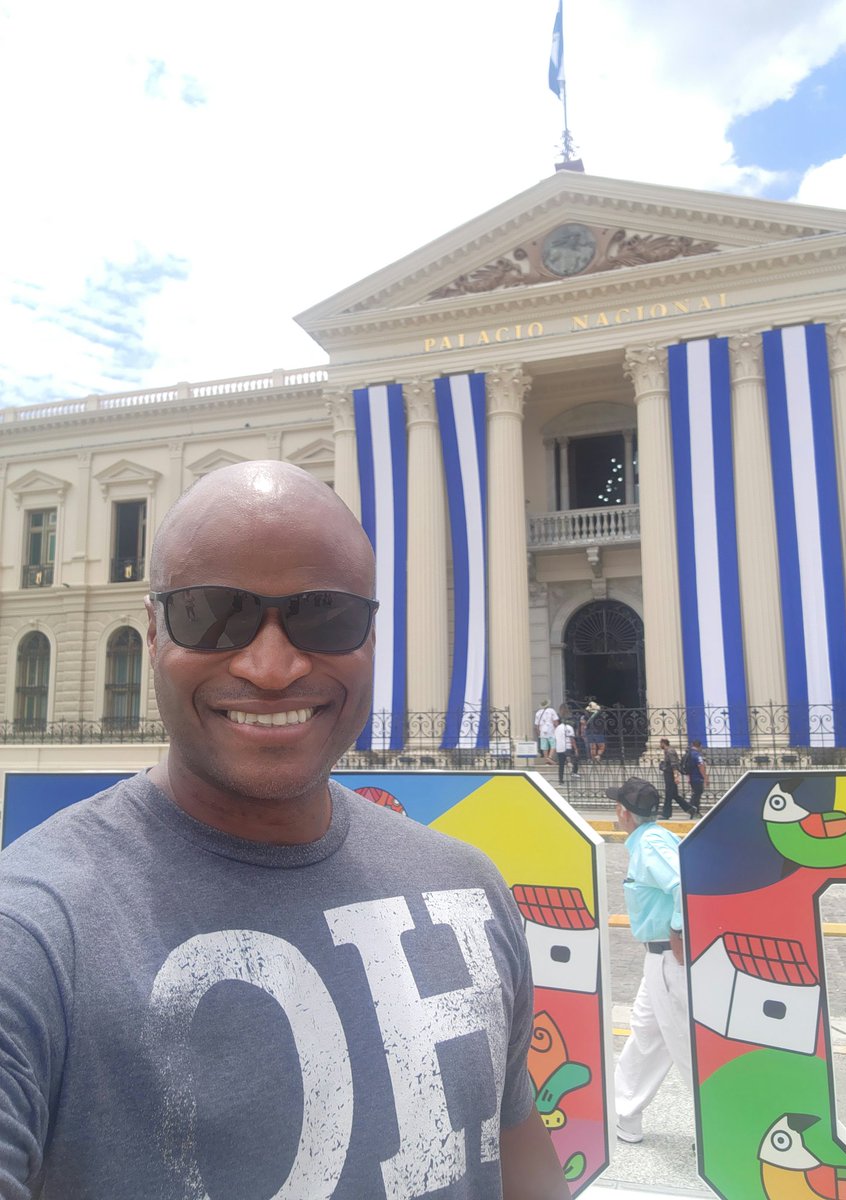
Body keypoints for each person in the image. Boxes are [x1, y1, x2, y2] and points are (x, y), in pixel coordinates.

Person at [0, 462, 567, 1200]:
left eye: (324, 615)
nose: (271, 667)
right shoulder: (35, 934)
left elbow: (517, 1162)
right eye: (211, 613)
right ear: (153, 632)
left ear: (371, 634)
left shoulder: (466, 890)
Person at [607, 777, 692, 1146]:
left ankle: (718, 1122)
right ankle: (623, 1115)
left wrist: (677, 930)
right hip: (657, 961)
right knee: (645, 1035)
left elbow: (683, 884)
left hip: (669, 958)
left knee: (686, 1044)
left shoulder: (650, 844)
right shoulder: (655, 838)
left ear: (624, 812)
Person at [657, 738, 692, 819]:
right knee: (674, 795)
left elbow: (674, 765)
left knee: (668, 795)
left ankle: (666, 814)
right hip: (669, 775)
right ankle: (690, 809)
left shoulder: (670, 751)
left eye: (660, 743)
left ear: (663, 743)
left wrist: (676, 777)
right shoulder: (667, 751)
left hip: (670, 776)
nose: (660, 745)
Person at [553, 716, 578, 784]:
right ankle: (573, 772)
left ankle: (561, 780)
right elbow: (572, 739)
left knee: (561, 765)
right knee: (575, 759)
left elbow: (555, 739)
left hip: (559, 748)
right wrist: (576, 749)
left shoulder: (557, 728)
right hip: (567, 747)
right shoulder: (569, 728)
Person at [685, 740, 707, 816]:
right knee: (697, 794)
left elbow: (687, 767)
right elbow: (701, 766)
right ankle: (694, 810)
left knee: (695, 794)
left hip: (692, 777)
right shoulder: (697, 755)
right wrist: (705, 777)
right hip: (697, 777)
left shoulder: (689, 754)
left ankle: (691, 809)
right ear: (700, 746)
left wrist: (688, 777)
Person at [533, 699, 559, 763]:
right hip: (550, 730)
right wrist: (557, 728)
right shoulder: (551, 710)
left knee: (544, 747)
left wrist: (538, 733)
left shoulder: (538, 713)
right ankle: (550, 757)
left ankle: (546, 760)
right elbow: (555, 721)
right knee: (553, 745)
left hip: (542, 731)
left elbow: (536, 725)